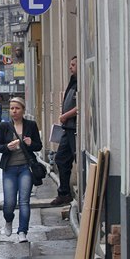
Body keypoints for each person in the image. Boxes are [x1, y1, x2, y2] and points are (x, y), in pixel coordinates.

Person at [0, 97, 42, 243]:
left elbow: (38, 146)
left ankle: (22, 232)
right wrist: (7, 147)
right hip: (9, 169)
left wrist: (31, 143)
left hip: (26, 168)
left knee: (24, 201)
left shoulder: (31, 125)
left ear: (23, 110)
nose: (14, 111)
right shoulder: (4, 126)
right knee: (9, 203)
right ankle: (9, 221)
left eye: (17, 108)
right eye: (12, 108)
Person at [51, 56, 78, 205]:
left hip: (74, 127)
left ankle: (67, 192)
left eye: (73, 64)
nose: (70, 67)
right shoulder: (73, 81)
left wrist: (65, 116)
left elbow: (81, 103)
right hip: (68, 127)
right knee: (61, 158)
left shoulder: (82, 82)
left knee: (75, 158)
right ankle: (64, 193)